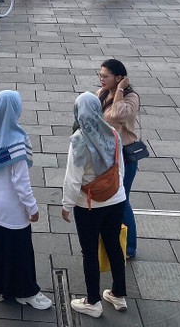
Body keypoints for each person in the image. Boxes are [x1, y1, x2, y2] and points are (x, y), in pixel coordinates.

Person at [0, 90, 53, 310]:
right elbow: (21, 183)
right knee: (19, 251)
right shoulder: (17, 140)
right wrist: (33, 208)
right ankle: (26, 292)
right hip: (13, 210)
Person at [62, 92, 128, 319]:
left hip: (89, 205)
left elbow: (73, 179)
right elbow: (119, 166)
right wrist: (119, 193)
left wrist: (66, 205)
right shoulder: (112, 133)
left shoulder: (79, 140)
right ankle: (118, 294)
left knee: (89, 251)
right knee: (113, 245)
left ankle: (93, 301)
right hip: (116, 199)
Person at [95, 59, 140, 260]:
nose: (102, 79)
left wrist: (120, 91)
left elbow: (120, 115)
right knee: (108, 198)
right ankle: (111, 239)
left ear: (119, 78)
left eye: (106, 76)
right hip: (106, 154)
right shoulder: (101, 93)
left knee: (122, 200)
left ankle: (129, 247)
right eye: (100, 75)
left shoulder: (130, 97)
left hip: (124, 155)